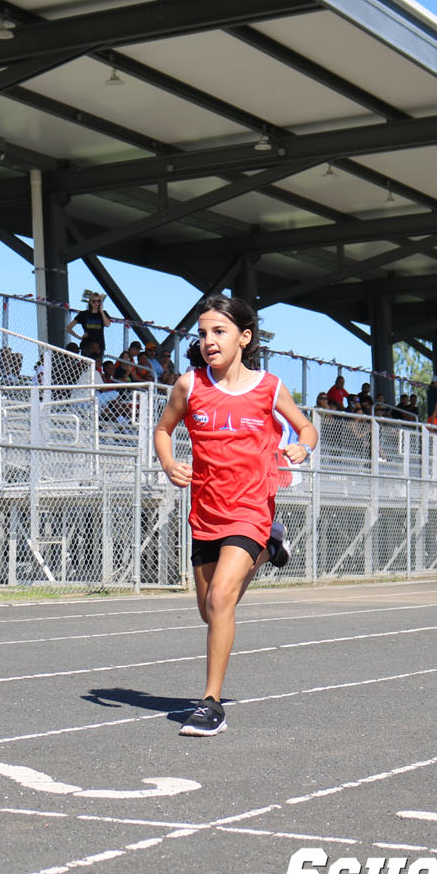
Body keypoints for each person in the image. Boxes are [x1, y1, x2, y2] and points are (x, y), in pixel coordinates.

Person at [153, 296, 317, 737]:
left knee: (222, 599)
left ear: (244, 338)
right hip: (205, 511)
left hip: (250, 508)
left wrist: (302, 445)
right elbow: (163, 430)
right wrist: (170, 464)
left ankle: (211, 704)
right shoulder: (189, 386)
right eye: (203, 333)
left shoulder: (268, 386)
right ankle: (270, 549)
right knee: (210, 611)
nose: (209, 341)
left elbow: (306, 427)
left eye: (219, 332)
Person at [67, 292, 111, 360]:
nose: (96, 303)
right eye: (94, 301)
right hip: (87, 345)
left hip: (99, 345)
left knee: (97, 365)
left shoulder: (103, 313)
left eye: (98, 301)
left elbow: (107, 324)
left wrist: (101, 311)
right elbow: (69, 328)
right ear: (90, 302)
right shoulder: (84, 314)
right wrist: (79, 337)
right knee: (86, 365)